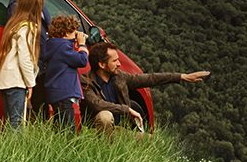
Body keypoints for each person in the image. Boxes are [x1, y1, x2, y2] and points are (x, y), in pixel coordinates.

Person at [82, 42, 210, 134]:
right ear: (102, 64)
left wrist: (182, 77)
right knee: (105, 116)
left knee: (151, 143)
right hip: (95, 131)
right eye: (114, 61)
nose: (119, 64)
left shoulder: (120, 77)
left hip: (119, 131)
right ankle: (106, 154)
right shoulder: (86, 81)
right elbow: (97, 104)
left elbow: (150, 78)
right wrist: (126, 109)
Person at [0, 0, 43, 129]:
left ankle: (7, 148)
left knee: (10, 119)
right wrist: (30, 83)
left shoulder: (13, 25)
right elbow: (25, 58)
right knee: (17, 123)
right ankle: (15, 149)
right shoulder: (28, 28)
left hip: (5, 78)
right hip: (17, 80)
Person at [41, 15, 90, 131]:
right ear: (67, 33)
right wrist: (82, 44)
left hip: (55, 92)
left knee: (59, 126)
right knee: (68, 128)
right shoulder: (63, 47)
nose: (76, 35)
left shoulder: (51, 45)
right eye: (74, 32)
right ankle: (66, 148)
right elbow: (82, 60)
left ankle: (57, 146)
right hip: (64, 94)